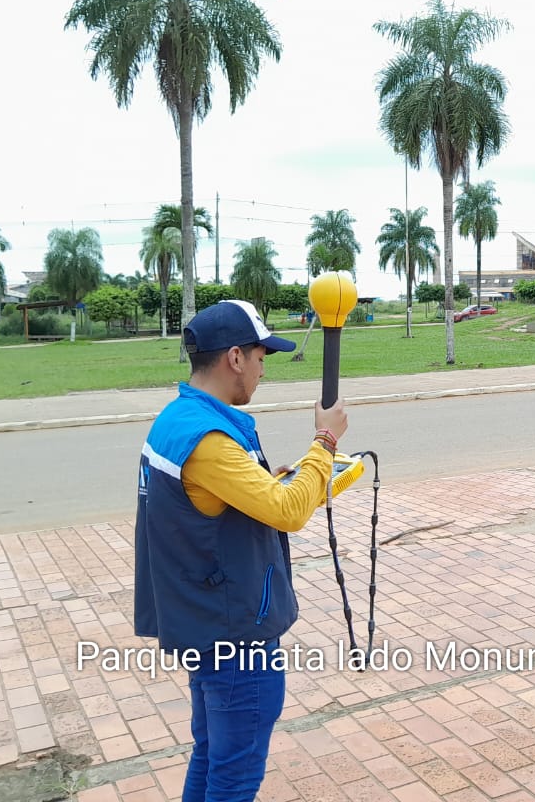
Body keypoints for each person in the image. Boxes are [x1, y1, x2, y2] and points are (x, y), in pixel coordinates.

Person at [134, 299, 353, 802]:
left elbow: (207, 501)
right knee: (234, 778)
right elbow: (290, 512)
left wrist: (265, 483)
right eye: (260, 357)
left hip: (205, 620)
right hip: (236, 635)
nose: (261, 369)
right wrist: (325, 442)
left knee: (211, 756)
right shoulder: (208, 437)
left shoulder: (177, 417)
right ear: (235, 357)